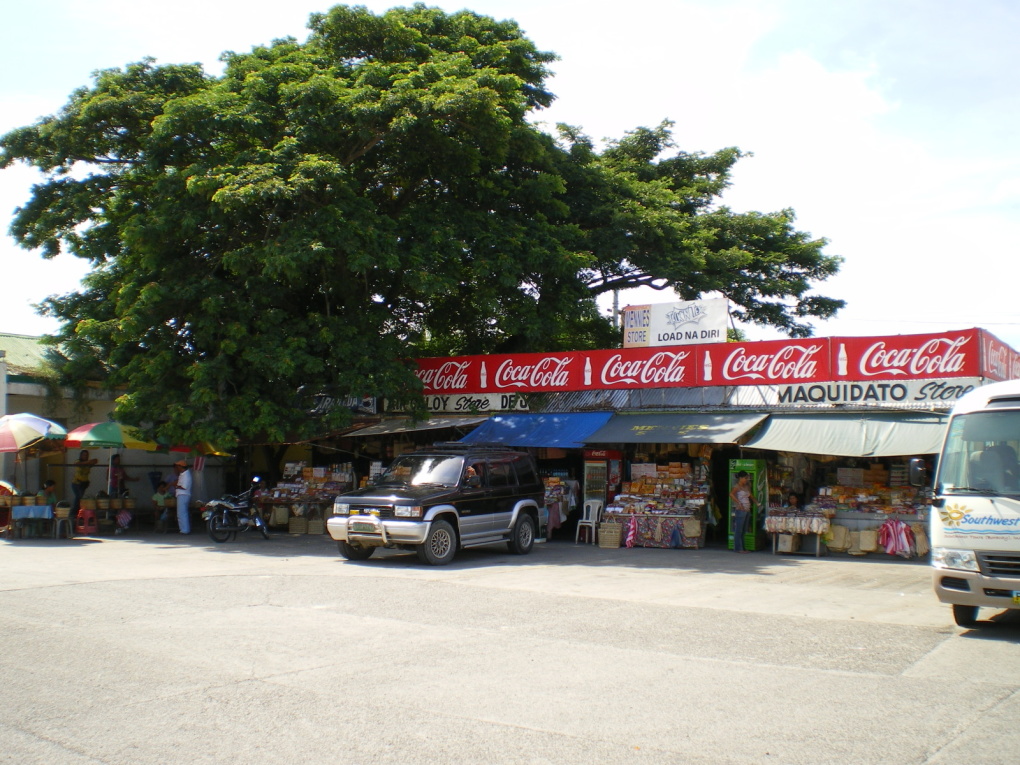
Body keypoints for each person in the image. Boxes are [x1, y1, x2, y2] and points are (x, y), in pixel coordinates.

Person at [729, 470, 757, 554]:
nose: (746, 480)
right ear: (740, 478)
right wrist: (738, 503)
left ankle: (743, 548)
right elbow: (731, 494)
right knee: (739, 530)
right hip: (740, 510)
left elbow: (751, 496)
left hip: (747, 509)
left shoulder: (746, 486)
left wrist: (756, 502)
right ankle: (738, 548)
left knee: (744, 530)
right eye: (745, 478)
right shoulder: (736, 486)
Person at [71, 450, 98, 514]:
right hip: (76, 483)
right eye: (84, 455)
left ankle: (78, 512)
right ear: (81, 455)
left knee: (80, 498)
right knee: (78, 497)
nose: (85, 456)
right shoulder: (78, 461)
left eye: (86, 455)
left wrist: (89, 462)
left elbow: (95, 461)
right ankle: (74, 512)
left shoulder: (88, 464)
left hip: (84, 483)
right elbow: (77, 464)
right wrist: (88, 462)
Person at [172, 460, 193, 534]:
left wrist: (177, 486)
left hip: (183, 495)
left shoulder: (186, 475)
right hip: (182, 495)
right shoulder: (183, 474)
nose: (177, 468)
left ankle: (184, 530)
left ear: (181, 466)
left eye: (177, 466)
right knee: (182, 513)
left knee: (182, 513)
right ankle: (184, 529)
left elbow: (184, 487)